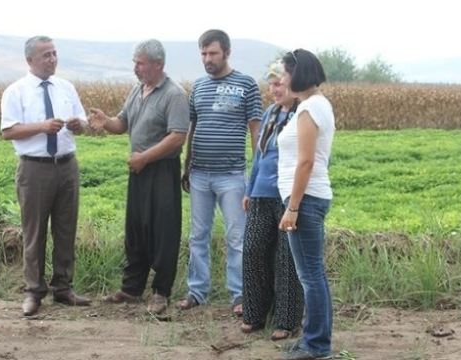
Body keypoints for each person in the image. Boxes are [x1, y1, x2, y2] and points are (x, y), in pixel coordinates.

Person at [91, 39, 189, 315]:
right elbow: (122, 123)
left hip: (161, 170)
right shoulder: (137, 91)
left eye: (140, 63)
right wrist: (105, 121)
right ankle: (132, 289)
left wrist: (145, 157)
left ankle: (160, 292)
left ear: (158, 64)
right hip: (139, 170)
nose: (135, 68)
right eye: (135, 62)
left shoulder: (174, 94)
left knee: (163, 231)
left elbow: (177, 137)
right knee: (136, 229)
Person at [1, 35, 89, 317]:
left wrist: (79, 125)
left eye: (54, 54)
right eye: (46, 56)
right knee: (34, 231)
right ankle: (33, 291)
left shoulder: (66, 88)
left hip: (66, 165)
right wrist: (42, 127)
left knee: (66, 228)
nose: (52, 59)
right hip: (35, 168)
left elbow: (84, 122)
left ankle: (63, 287)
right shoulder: (16, 91)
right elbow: (8, 131)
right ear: (30, 60)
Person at [178, 29, 263, 315]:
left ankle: (240, 295)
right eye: (203, 53)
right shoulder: (198, 87)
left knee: (236, 237)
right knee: (198, 235)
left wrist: (258, 172)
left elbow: (256, 131)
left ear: (227, 52)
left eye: (212, 53)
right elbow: (192, 128)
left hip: (232, 176)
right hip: (200, 175)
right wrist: (186, 165)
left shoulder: (246, 85)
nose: (207, 59)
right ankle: (196, 291)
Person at [277, 49, 335, 360]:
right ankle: (314, 339)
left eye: (285, 73)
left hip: (306, 199)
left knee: (310, 274)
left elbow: (306, 162)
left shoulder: (309, 109)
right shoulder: (314, 105)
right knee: (312, 273)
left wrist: (293, 206)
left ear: (298, 74)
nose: (282, 79)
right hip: (310, 197)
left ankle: (317, 345)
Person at [240, 61, 304, 341]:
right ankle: (255, 314)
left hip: (287, 194)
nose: (273, 89)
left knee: (286, 260)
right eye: (270, 84)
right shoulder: (270, 113)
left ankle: (288, 321)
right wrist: (249, 189)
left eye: (278, 83)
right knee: (253, 251)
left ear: (292, 82)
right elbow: (260, 156)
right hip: (262, 194)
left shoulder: (303, 114)